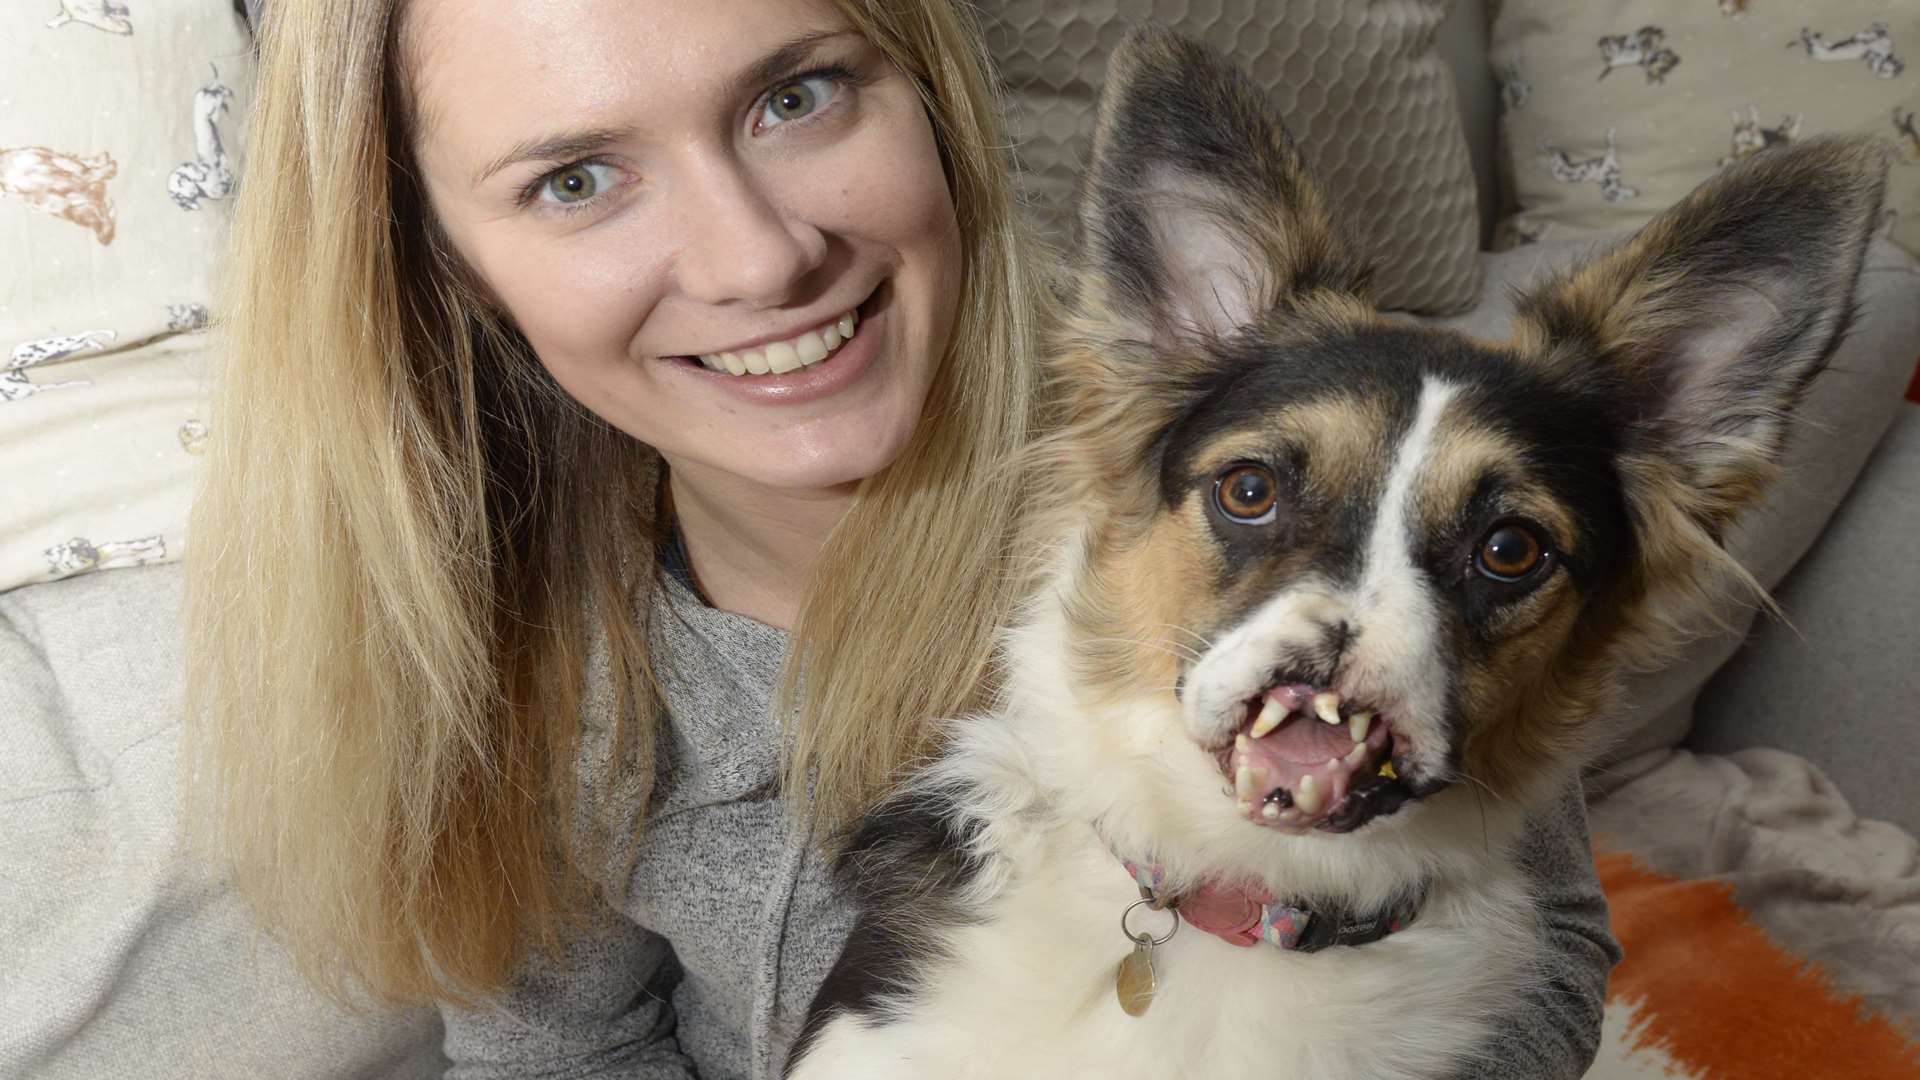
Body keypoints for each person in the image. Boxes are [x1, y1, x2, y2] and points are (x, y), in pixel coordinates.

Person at [186, 0, 1620, 1076]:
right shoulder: (535, 671)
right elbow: (561, 1055)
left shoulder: (1236, 522)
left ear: (930, 94)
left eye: (798, 96)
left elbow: (1543, 960)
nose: (760, 258)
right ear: (447, 266)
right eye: (576, 180)